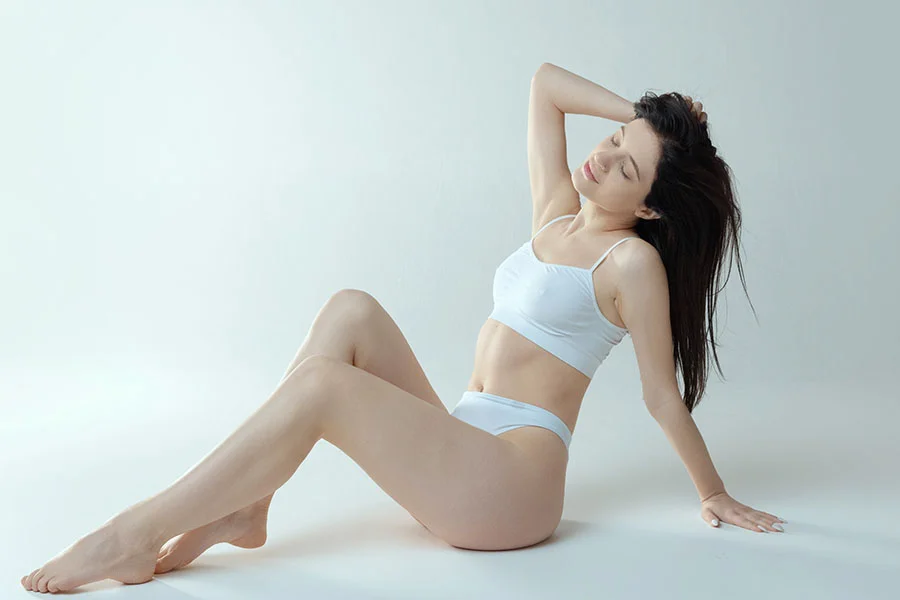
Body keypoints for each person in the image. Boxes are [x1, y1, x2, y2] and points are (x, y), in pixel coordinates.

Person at [21, 62, 785, 594]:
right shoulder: (557, 213)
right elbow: (545, 84)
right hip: (467, 439)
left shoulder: (629, 264)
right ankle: (248, 507)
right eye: (610, 143)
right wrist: (645, 122)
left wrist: (712, 492)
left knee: (324, 386)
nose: (602, 158)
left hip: (512, 487)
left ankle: (130, 534)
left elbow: (659, 396)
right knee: (351, 308)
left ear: (649, 207)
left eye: (624, 169)